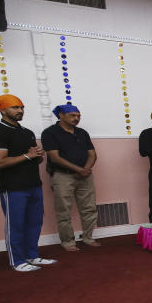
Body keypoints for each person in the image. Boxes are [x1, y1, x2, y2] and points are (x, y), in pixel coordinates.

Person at [0, 94, 57, 272]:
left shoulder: (26, 132)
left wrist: (37, 156)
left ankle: (32, 255)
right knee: (16, 224)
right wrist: (28, 155)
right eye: (15, 108)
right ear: (3, 110)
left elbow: (35, 160)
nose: (20, 111)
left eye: (21, 107)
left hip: (34, 184)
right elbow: (0, 162)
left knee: (35, 222)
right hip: (12, 187)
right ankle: (17, 261)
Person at [41, 103, 99, 250]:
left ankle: (88, 237)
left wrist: (86, 169)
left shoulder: (82, 133)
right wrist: (79, 169)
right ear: (61, 115)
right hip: (62, 176)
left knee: (89, 208)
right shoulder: (50, 133)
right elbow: (54, 157)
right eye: (72, 115)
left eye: (78, 115)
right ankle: (68, 242)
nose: (76, 118)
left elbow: (92, 154)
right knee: (63, 211)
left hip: (85, 175)